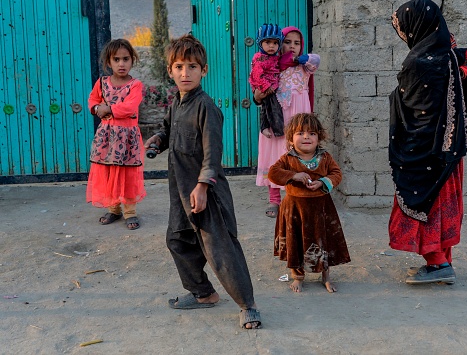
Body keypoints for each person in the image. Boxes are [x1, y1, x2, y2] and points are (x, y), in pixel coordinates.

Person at [144, 34, 261, 329]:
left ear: (204, 71)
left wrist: (203, 186)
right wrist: (158, 140)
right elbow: (169, 130)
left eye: (193, 66)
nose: (186, 73)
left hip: (206, 191)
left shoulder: (206, 107)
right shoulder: (176, 103)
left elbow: (213, 153)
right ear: (170, 70)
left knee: (220, 248)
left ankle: (248, 306)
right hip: (181, 191)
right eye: (180, 66)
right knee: (177, 240)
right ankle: (203, 293)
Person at [388, 0, 467, 285]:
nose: (404, 35)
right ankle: (444, 261)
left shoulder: (418, 62)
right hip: (450, 150)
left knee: (424, 202)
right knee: (442, 202)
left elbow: (416, 108)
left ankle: (438, 263)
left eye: (404, 28)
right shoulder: (452, 56)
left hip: (425, 150)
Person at [268, 113, 350, 293]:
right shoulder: (287, 159)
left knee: (323, 241)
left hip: (321, 208)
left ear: (319, 137)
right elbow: (273, 173)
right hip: (294, 209)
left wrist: (323, 182)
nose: (306, 137)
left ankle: (326, 276)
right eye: (300, 133)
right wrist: (294, 175)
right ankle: (298, 276)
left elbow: (336, 174)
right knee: (294, 241)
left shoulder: (325, 157)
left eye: (312, 133)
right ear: (291, 138)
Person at [254, 26, 320, 219]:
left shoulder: (304, 66)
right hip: (277, 118)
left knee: (299, 154)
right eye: (287, 42)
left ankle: (298, 195)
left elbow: (315, 60)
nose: (292, 46)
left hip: (299, 119)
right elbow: (258, 91)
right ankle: (275, 199)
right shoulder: (270, 66)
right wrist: (258, 96)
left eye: (297, 43)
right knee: (274, 155)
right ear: (279, 44)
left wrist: (299, 59)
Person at [86, 38, 146, 230]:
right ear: (109, 62)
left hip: (127, 138)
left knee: (128, 174)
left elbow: (129, 107)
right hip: (107, 138)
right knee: (109, 172)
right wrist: (96, 108)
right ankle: (113, 209)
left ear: (132, 60)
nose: (121, 64)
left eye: (126, 59)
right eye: (117, 59)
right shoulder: (102, 82)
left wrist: (107, 109)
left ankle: (130, 212)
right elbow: (92, 100)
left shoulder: (135, 85)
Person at [249, 23, 284, 138]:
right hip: (263, 86)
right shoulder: (260, 58)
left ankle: (266, 127)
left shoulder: (275, 57)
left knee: (267, 107)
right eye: (267, 42)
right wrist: (266, 86)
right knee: (271, 107)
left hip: (270, 85)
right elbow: (257, 74)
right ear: (260, 43)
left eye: (275, 43)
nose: (271, 46)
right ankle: (276, 129)